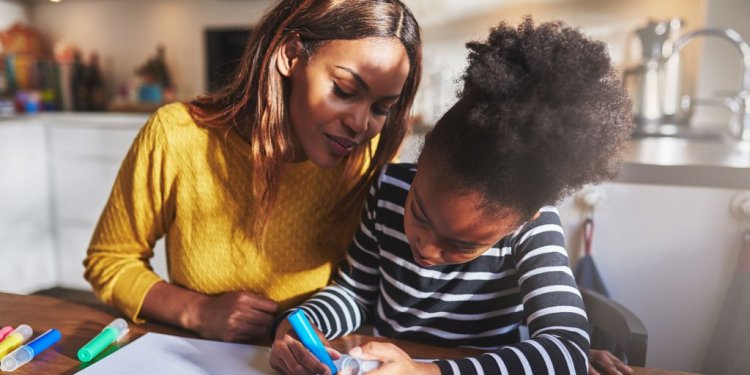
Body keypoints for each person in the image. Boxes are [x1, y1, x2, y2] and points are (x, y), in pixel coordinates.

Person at [269, 17, 634, 375]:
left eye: (460, 244)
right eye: (420, 214)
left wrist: (426, 371)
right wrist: (302, 322)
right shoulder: (389, 188)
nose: (426, 248)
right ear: (421, 159)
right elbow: (354, 292)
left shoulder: (533, 228)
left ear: (524, 218)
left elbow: (566, 351)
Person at [83, 0, 422, 343]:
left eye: (382, 107)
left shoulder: (371, 154)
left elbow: (367, 285)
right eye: (344, 91)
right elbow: (110, 260)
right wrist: (197, 311)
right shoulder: (176, 136)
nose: (360, 124)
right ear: (290, 55)